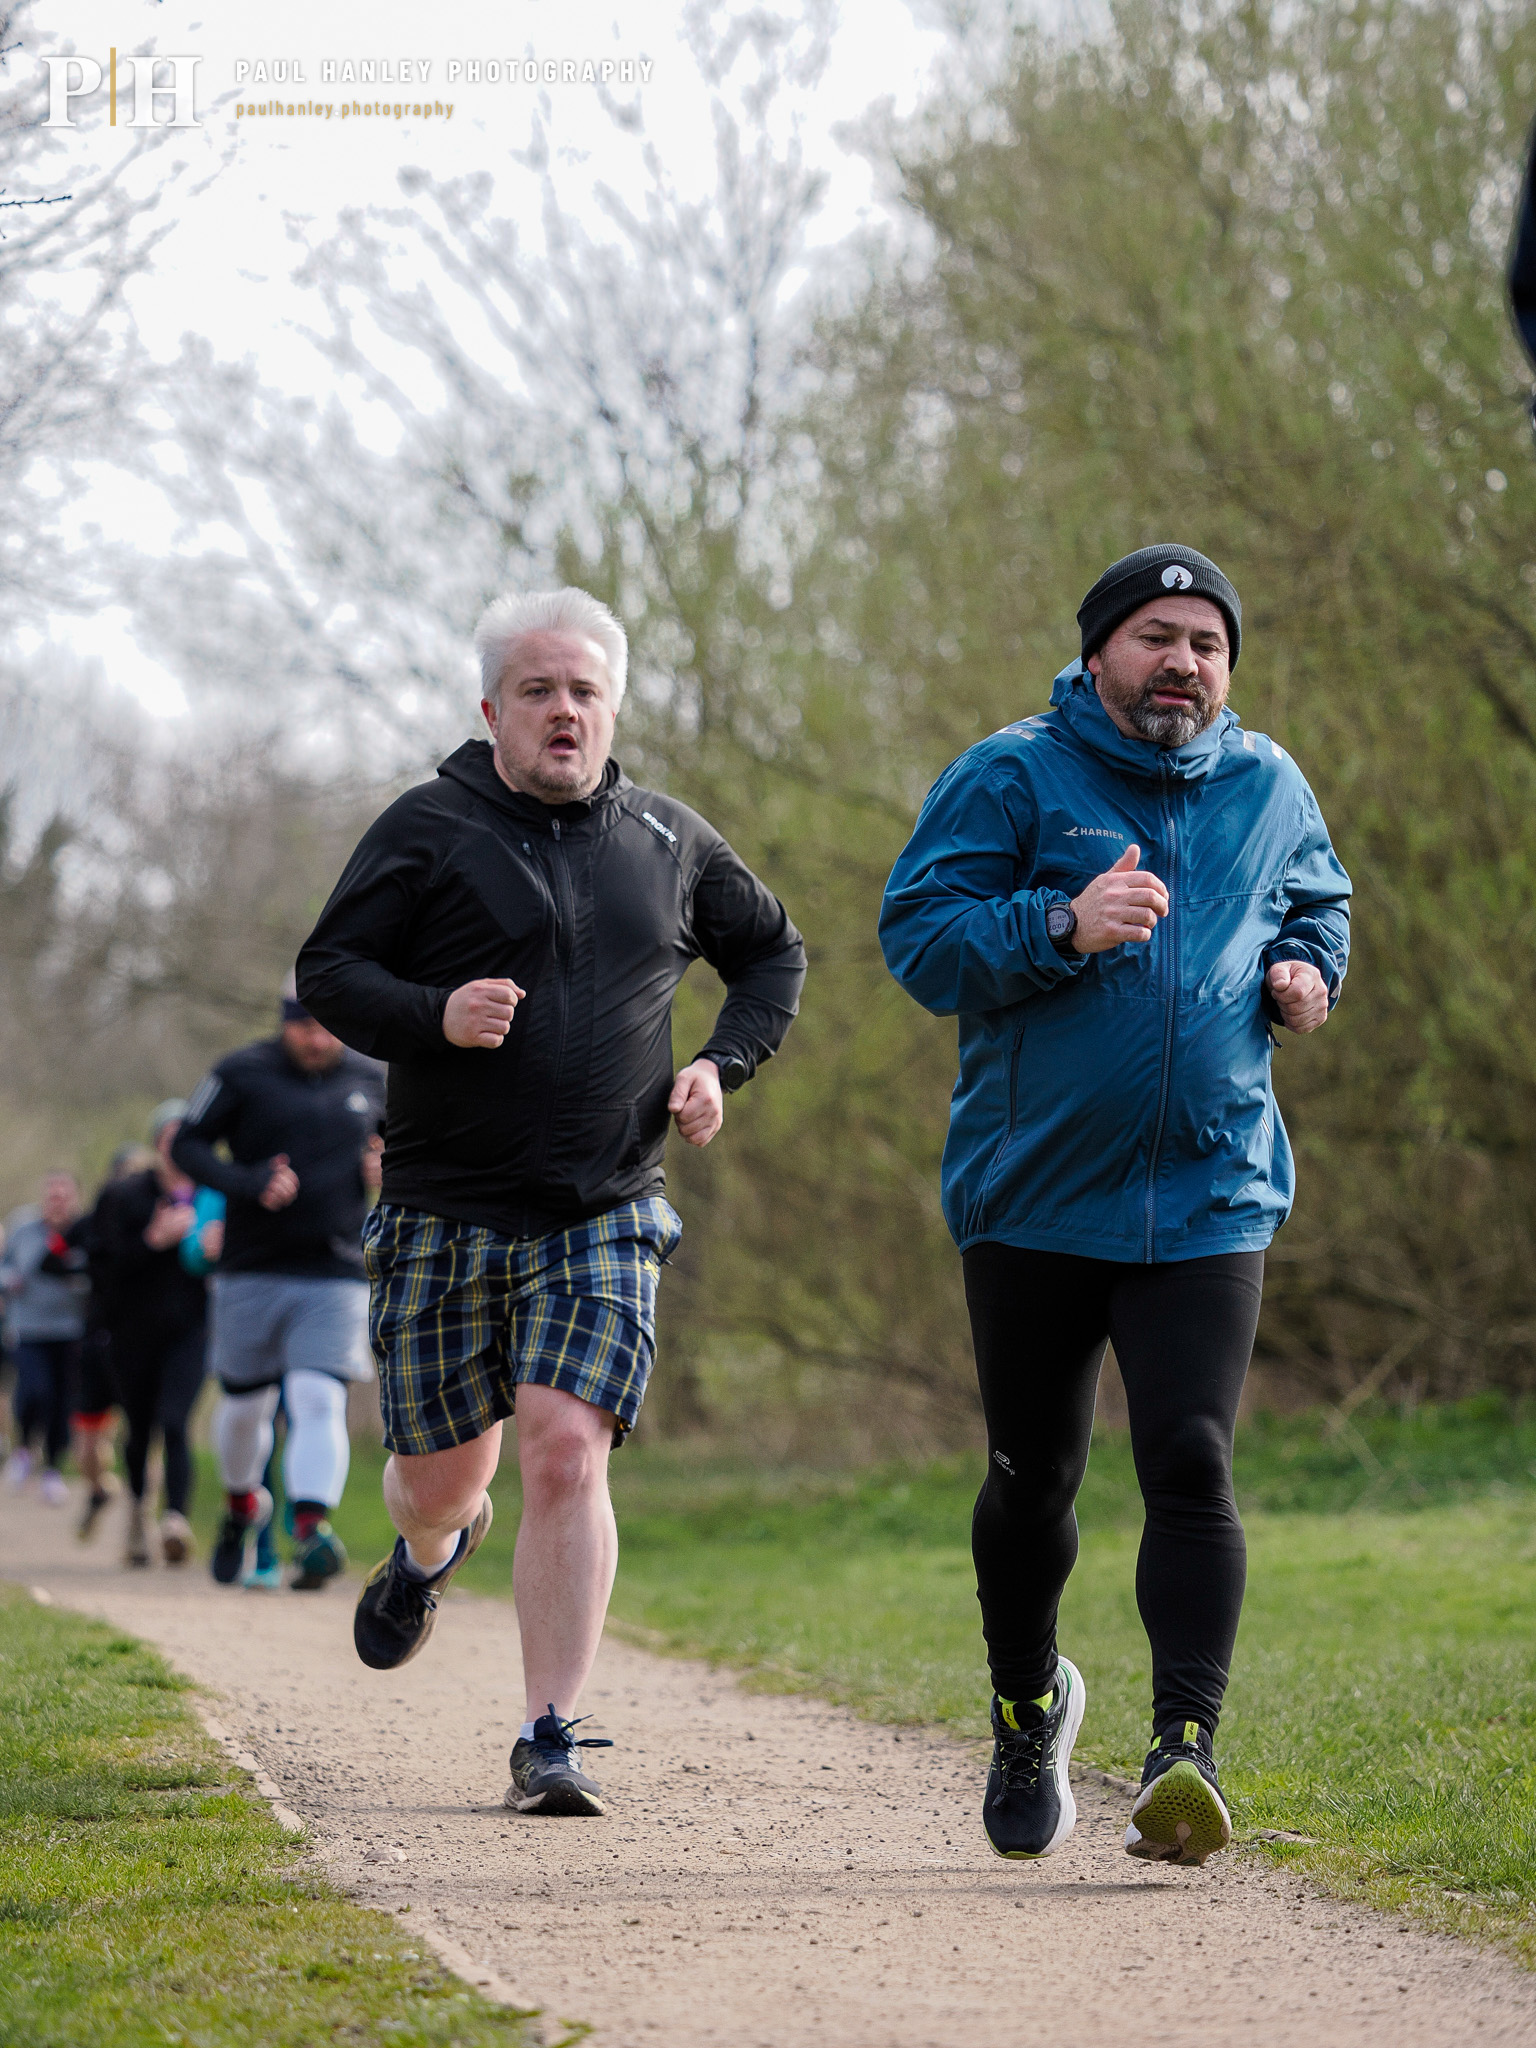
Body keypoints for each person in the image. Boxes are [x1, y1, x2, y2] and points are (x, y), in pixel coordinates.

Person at [297, 585, 805, 1816]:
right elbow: (329, 972)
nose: (563, 711)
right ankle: (431, 1551)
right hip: (440, 1208)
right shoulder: (425, 828)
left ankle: (549, 1730)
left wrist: (715, 1066)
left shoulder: (671, 842)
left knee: (568, 1452)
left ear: (614, 705)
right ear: (492, 709)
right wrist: (432, 1014)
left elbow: (773, 955)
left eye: (583, 690)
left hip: (606, 1204)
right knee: (435, 1479)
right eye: (538, 690)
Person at [880, 544, 1350, 1867]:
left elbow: (1320, 901)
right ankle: (1028, 1708)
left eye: (1207, 642)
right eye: (1156, 635)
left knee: (1191, 1460)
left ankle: (1182, 1756)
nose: (1182, 662)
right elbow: (918, 939)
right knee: (1035, 1481)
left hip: (1211, 1191)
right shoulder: (1014, 773)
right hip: (1034, 1195)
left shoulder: (1269, 784)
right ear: (1099, 654)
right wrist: (1059, 926)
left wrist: (1311, 970)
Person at [172, 985, 386, 1591]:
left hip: (336, 1269)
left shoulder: (374, 1077)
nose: (317, 1040)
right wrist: (246, 1182)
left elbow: (416, 1150)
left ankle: (311, 1527)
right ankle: (243, 1507)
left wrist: (388, 1167)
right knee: (246, 1410)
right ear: (284, 1023)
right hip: (251, 1267)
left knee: (320, 1398)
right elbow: (187, 1144)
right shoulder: (241, 1072)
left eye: (328, 1029)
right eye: (304, 1028)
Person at [88, 1104, 209, 1566]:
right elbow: (98, 1264)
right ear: (157, 1143)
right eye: (169, 1138)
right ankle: (139, 1514)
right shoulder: (122, 1196)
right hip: (130, 1334)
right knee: (139, 1429)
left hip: (191, 1331)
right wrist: (151, 1241)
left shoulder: (213, 1197)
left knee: (176, 1422)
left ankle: (175, 1519)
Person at [0, 1172, 88, 1505]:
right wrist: (9, 1281)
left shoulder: (85, 1232)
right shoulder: (23, 1227)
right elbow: (3, 1266)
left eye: (64, 1195)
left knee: (62, 1401)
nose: (57, 1201)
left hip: (71, 1330)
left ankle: (53, 1469)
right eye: (52, 1194)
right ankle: (24, 1448)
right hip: (28, 1328)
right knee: (36, 1389)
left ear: (75, 1199)